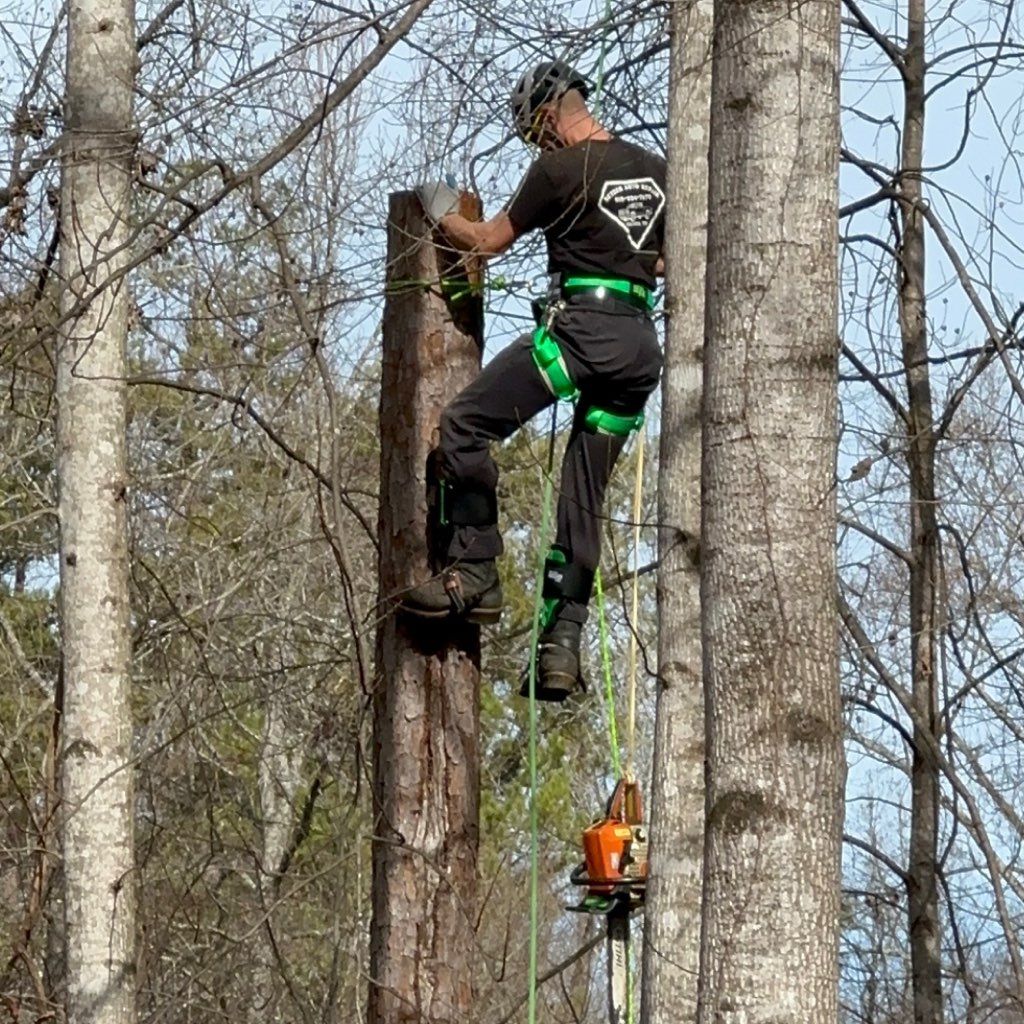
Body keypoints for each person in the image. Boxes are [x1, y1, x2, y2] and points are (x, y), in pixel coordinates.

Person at [401, 60, 667, 701]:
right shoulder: (660, 174)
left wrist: (438, 208)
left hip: (578, 338)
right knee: (582, 500)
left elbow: (487, 241)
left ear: (548, 115)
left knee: (464, 426)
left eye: (533, 130)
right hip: (636, 352)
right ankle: (559, 648)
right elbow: (663, 261)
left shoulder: (557, 171)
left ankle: (475, 567)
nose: (535, 143)